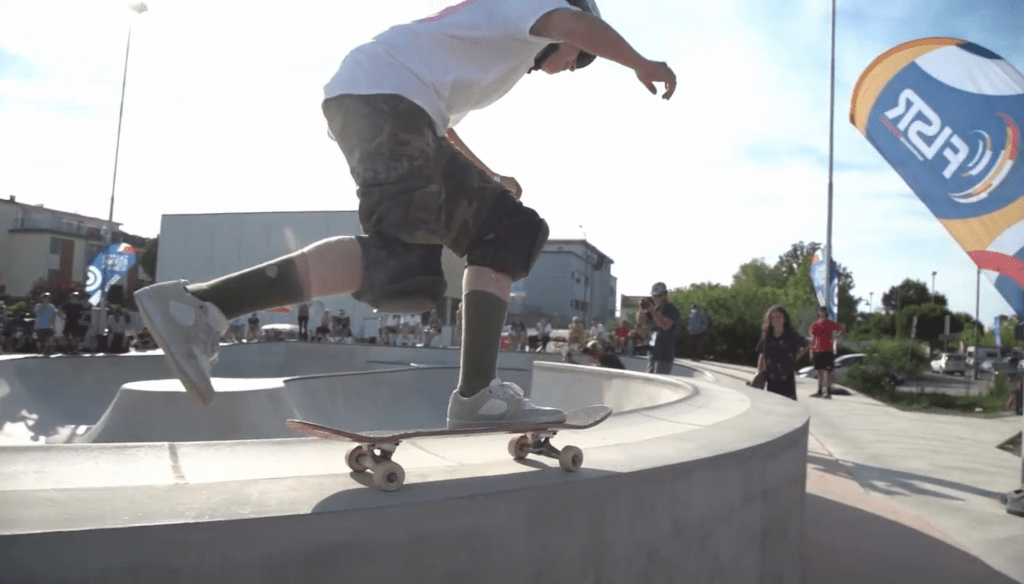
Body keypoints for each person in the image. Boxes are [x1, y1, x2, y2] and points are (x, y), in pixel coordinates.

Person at [133, 0, 677, 429]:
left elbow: (437, 126)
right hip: (380, 99)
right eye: (576, 60)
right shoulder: (531, 8)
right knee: (404, 265)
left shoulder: (488, 51)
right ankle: (199, 305)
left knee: (509, 231)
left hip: (395, 104)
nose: (568, 68)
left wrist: (487, 177)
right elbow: (575, 23)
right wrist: (639, 62)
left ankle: (478, 397)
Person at [755, 305, 811, 401]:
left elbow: (808, 343)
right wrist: (759, 374)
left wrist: (796, 356)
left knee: (789, 406)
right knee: (774, 406)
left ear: (784, 319)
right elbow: (762, 355)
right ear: (769, 320)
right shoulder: (766, 337)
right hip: (772, 378)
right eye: (773, 317)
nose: (776, 320)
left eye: (779, 317)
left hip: (787, 379)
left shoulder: (791, 336)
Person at [637, 282, 679, 374]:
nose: (655, 298)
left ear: (664, 295)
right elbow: (641, 322)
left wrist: (652, 310)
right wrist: (642, 309)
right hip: (652, 353)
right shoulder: (654, 309)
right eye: (653, 296)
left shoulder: (671, 309)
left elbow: (665, 325)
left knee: (658, 380)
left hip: (664, 355)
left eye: (658, 296)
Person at [808, 307, 845, 399]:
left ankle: (828, 392)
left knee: (828, 372)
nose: (822, 313)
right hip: (817, 350)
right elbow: (813, 338)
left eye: (823, 311)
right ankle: (820, 391)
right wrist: (811, 351)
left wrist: (836, 337)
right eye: (821, 311)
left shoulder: (830, 323)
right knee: (820, 372)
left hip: (828, 350)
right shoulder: (815, 324)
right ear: (819, 312)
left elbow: (842, 329)